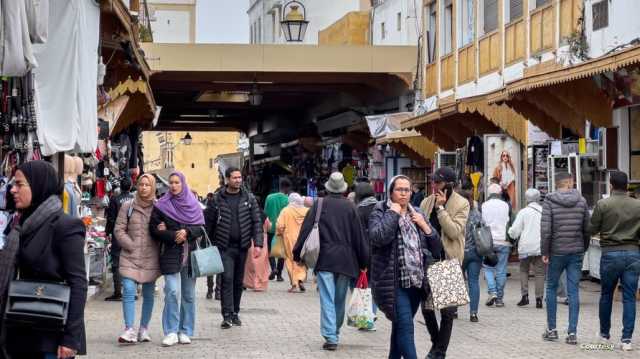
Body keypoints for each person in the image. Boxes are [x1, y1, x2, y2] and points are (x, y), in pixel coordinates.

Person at [5, 161, 88, 358]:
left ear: (38, 185)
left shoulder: (65, 225)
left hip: (50, 334)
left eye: (19, 184)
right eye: (12, 184)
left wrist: (70, 338)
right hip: (19, 327)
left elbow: (78, 283)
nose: (13, 190)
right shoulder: (19, 225)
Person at [293, 172, 369, 351]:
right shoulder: (351, 208)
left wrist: (297, 255)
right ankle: (334, 330)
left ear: (328, 187)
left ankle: (331, 336)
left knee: (327, 297)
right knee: (339, 299)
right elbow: (360, 237)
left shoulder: (319, 204)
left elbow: (305, 231)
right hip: (346, 261)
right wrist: (364, 261)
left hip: (325, 259)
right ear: (343, 189)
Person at [369, 175, 441, 359]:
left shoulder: (417, 213)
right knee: (406, 328)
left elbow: (436, 248)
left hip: (416, 283)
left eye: (407, 190)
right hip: (393, 283)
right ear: (391, 192)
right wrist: (393, 214)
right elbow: (378, 238)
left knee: (400, 327)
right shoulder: (380, 211)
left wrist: (425, 225)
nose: (403, 193)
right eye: (399, 190)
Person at [149, 172, 205, 347]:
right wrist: (173, 235)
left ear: (183, 184)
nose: (173, 186)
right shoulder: (161, 206)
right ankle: (171, 331)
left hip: (190, 256)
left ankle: (185, 330)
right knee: (172, 292)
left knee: (188, 295)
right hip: (170, 254)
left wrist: (187, 233)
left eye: (177, 182)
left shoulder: (193, 204)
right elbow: (154, 230)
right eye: (171, 183)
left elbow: (201, 227)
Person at [419, 167, 469, 359]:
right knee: (427, 309)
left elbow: (454, 231)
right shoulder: (426, 201)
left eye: (438, 182)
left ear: (448, 185)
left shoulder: (461, 203)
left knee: (447, 313)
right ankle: (436, 344)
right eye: (432, 181)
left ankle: (439, 352)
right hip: (427, 260)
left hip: (447, 262)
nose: (433, 185)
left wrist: (441, 209)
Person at [204, 167, 263, 329]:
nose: (238, 180)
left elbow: (256, 222)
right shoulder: (217, 199)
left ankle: (235, 312)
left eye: (239, 177)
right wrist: (206, 245)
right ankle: (227, 315)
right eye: (235, 177)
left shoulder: (249, 199)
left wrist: (258, 244)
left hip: (242, 247)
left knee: (238, 282)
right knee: (227, 279)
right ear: (227, 179)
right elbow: (208, 223)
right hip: (224, 247)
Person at [590, 171, 640, 351]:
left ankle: (604, 334)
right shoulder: (638, 205)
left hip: (610, 253)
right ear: (627, 185)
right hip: (633, 254)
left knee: (606, 295)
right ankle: (626, 340)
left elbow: (592, 227)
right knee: (629, 298)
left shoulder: (603, 204)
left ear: (611, 185)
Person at [541, 172, 590, 345]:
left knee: (551, 288)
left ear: (557, 183)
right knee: (573, 290)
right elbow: (587, 229)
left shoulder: (549, 201)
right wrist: (583, 248)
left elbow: (546, 230)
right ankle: (572, 333)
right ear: (570, 183)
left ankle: (552, 330)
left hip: (556, 251)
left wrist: (545, 252)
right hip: (576, 251)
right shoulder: (582, 201)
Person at [114, 174, 161, 344]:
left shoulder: (159, 207)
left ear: (153, 187)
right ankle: (129, 329)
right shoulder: (128, 206)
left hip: (151, 256)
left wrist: (163, 229)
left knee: (148, 293)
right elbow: (119, 229)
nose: (143, 188)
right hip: (130, 255)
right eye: (141, 184)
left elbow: (165, 228)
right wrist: (130, 245)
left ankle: (144, 329)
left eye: (147, 185)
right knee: (128, 289)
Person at [508, 188, 544, 309]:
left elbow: (515, 231)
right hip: (540, 246)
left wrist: (510, 233)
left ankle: (525, 296)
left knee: (524, 270)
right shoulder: (543, 211)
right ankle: (539, 299)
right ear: (538, 198)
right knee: (540, 273)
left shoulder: (523, 212)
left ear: (526, 199)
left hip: (525, 247)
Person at [105, 177, 134, 301]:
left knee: (117, 263)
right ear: (131, 186)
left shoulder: (115, 200)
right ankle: (132, 291)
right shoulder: (135, 200)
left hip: (118, 235)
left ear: (120, 187)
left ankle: (118, 292)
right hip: (132, 234)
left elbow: (111, 219)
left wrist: (107, 232)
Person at [481, 183, 511, 308]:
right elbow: (509, 220)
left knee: (488, 268)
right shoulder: (506, 205)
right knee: (501, 269)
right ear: (499, 193)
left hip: (488, 241)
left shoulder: (484, 205)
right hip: (503, 240)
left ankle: (492, 291)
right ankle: (499, 298)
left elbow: (482, 222)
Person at [354, 182, 378, 328]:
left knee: (364, 286)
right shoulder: (382, 207)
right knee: (372, 286)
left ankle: (366, 319)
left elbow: (356, 235)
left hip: (364, 252)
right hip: (379, 252)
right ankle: (371, 315)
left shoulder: (358, 211)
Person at [276, 193, 309, 292]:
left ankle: (294, 283)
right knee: (302, 260)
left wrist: (280, 234)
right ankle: (300, 278)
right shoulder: (306, 211)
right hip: (304, 239)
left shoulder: (286, 211)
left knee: (290, 260)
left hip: (289, 238)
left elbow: (279, 225)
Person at [460, 186, 483, 322]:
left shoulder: (456, 213)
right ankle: (473, 313)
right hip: (475, 252)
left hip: (459, 252)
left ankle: (454, 310)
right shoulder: (476, 214)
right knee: (474, 282)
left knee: (457, 281)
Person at [264, 178, 292, 281]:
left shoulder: (269, 197)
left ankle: (274, 268)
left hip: (270, 228)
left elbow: (265, 212)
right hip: (282, 229)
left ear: (280, 186)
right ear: (287, 188)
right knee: (281, 252)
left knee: (270, 250)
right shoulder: (288, 200)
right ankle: (279, 275)